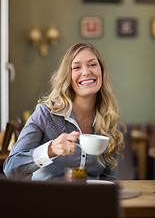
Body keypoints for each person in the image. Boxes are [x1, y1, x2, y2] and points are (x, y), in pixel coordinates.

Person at [3, 42, 125, 181]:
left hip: (90, 201)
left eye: (92, 64)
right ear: (68, 76)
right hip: (46, 200)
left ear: (101, 71)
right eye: (77, 67)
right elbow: (11, 169)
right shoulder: (45, 114)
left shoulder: (111, 123)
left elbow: (109, 181)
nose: (86, 72)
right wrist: (50, 150)